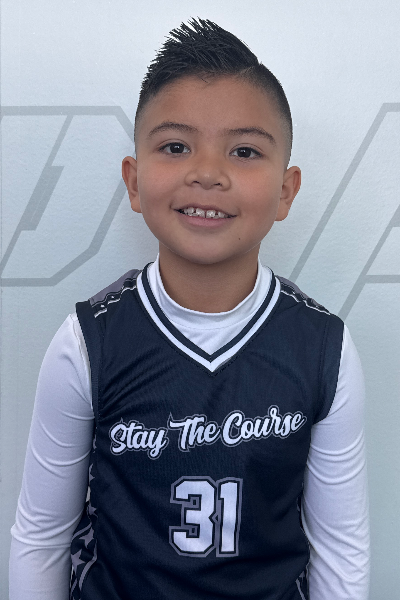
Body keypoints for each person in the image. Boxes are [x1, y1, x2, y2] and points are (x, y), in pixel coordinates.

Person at [9, 17, 370, 600]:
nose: (207, 173)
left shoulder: (324, 348)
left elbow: (341, 548)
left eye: (244, 151)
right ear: (133, 181)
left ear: (286, 191)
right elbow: (41, 536)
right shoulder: (87, 341)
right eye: (176, 147)